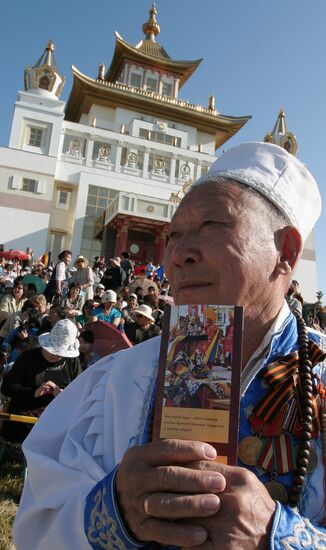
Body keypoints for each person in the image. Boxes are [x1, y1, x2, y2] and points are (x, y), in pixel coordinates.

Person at [14, 142, 326, 549]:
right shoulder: (115, 382)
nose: (178, 255)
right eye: (175, 234)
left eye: (212, 226)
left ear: (285, 252)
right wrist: (114, 511)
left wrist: (278, 535)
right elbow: (40, 522)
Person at [1, 319, 81, 444]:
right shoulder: (28, 358)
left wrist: (63, 394)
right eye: (54, 350)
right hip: (25, 417)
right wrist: (34, 392)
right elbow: (7, 386)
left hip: (59, 419)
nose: (56, 355)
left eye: (60, 353)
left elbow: (80, 392)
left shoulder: (71, 362)